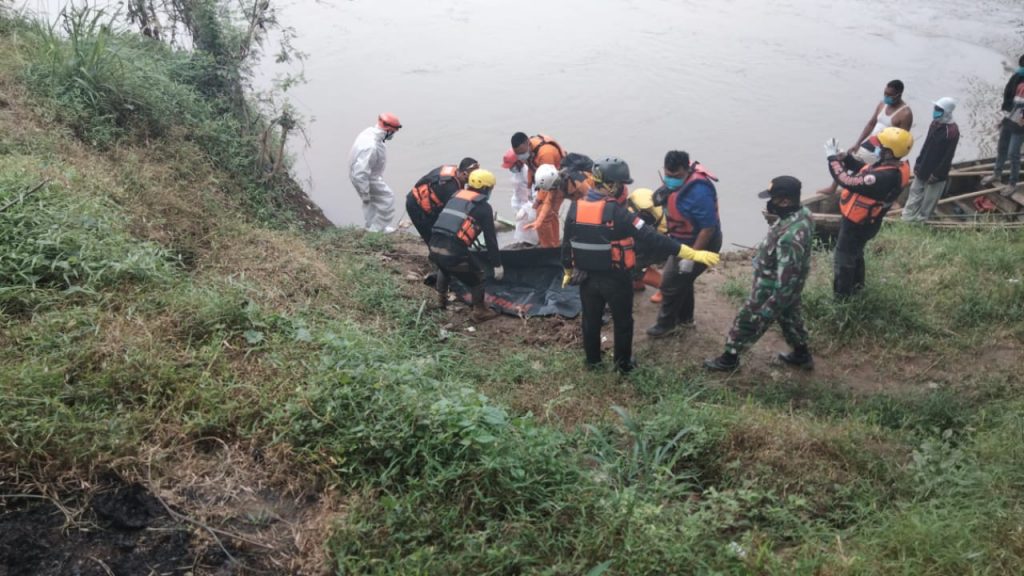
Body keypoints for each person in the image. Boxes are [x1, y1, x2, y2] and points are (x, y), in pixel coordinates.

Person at [561, 157, 720, 374]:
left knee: (590, 320)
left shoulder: (574, 208)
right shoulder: (619, 214)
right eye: (622, 184)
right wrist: (692, 253)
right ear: (613, 185)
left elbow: (566, 244)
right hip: (616, 279)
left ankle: (593, 362)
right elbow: (654, 238)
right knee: (623, 322)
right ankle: (623, 365)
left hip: (587, 280)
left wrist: (568, 270)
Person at [705, 176, 815, 372]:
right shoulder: (803, 214)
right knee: (790, 317)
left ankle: (729, 359)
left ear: (785, 201)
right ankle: (801, 353)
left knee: (748, 318)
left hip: (771, 287)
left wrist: (768, 307)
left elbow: (785, 280)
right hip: (789, 286)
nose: (769, 202)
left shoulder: (790, 237)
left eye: (773, 198)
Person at [825, 126, 913, 299]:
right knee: (856, 254)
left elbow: (846, 180)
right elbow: (865, 169)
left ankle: (842, 299)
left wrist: (832, 159)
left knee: (844, 258)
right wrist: (846, 158)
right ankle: (858, 288)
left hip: (857, 224)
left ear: (889, 152)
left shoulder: (883, 178)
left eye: (881, 146)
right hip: (869, 222)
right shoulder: (895, 166)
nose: (876, 148)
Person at [646, 150, 723, 338]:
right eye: (668, 176)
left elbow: (708, 229)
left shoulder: (699, 192)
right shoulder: (676, 184)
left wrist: (692, 256)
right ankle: (686, 319)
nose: (671, 179)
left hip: (702, 244)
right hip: (681, 241)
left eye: (676, 176)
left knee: (670, 282)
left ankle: (666, 325)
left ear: (687, 170)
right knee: (684, 279)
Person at [429, 169, 503, 322]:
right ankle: (480, 311)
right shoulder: (483, 207)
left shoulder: (455, 196)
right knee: (477, 276)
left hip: (433, 246)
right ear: (485, 188)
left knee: (444, 267)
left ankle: (440, 299)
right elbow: (490, 239)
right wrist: (497, 265)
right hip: (453, 252)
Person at [818, 80, 914, 195]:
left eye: (890, 95)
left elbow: (901, 142)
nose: (886, 97)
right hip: (871, 142)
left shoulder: (905, 114)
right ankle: (833, 188)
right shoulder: (882, 104)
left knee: (867, 172)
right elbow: (871, 123)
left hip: (884, 149)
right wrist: (858, 143)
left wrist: (890, 161)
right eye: (885, 93)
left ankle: (881, 195)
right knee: (847, 157)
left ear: (899, 94)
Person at [902, 98, 960, 222]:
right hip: (924, 167)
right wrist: (918, 162)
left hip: (937, 173)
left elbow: (948, 157)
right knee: (914, 193)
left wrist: (937, 174)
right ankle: (906, 218)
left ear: (947, 112)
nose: (935, 112)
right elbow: (926, 145)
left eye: (939, 110)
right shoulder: (934, 124)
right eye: (935, 109)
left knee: (929, 200)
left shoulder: (952, 131)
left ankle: (921, 222)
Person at [349, 113, 402, 233]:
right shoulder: (371, 146)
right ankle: (377, 230)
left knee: (372, 202)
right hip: (367, 178)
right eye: (393, 132)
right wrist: (364, 191)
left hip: (366, 175)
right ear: (388, 131)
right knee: (387, 199)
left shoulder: (369, 133)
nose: (393, 135)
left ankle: (371, 226)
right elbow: (361, 172)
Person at [406, 157, 479, 243]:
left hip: (427, 196)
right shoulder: (450, 188)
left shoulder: (453, 172)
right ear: (464, 174)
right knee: (433, 238)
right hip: (416, 206)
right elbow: (453, 215)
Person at [980, 55, 1024, 197]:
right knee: (1002, 148)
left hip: (1020, 126)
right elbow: (1012, 103)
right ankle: (997, 173)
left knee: (1013, 154)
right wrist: (1003, 119)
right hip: (1010, 120)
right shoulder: (1018, 80)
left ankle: (1012, 183)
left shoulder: (1018, 78)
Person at [626, 187, 667, 303]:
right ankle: (637, 283)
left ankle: (667, 288)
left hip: (662, 239)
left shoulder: (636, 209)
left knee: (631, 265)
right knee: (634, 253)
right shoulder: (639, 200)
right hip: (660, 233)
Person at [503, 149, 539, 246]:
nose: (511, 169)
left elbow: (535, 193)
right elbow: (517, 192)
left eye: (512, 166)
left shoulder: (529, 172)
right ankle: (525, 244)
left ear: (519, 162)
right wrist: (515, 206)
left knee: (533, 230)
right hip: (521, 205)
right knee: (522, 231)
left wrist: (526, 208)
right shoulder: (517, 173)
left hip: (531, 206)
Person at [524, 163, 564, 247]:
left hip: (584, 196)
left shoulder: (575, 182)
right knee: (548, 213)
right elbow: (548, 203)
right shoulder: (554, 186)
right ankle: (553, 247)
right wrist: (538, 221)